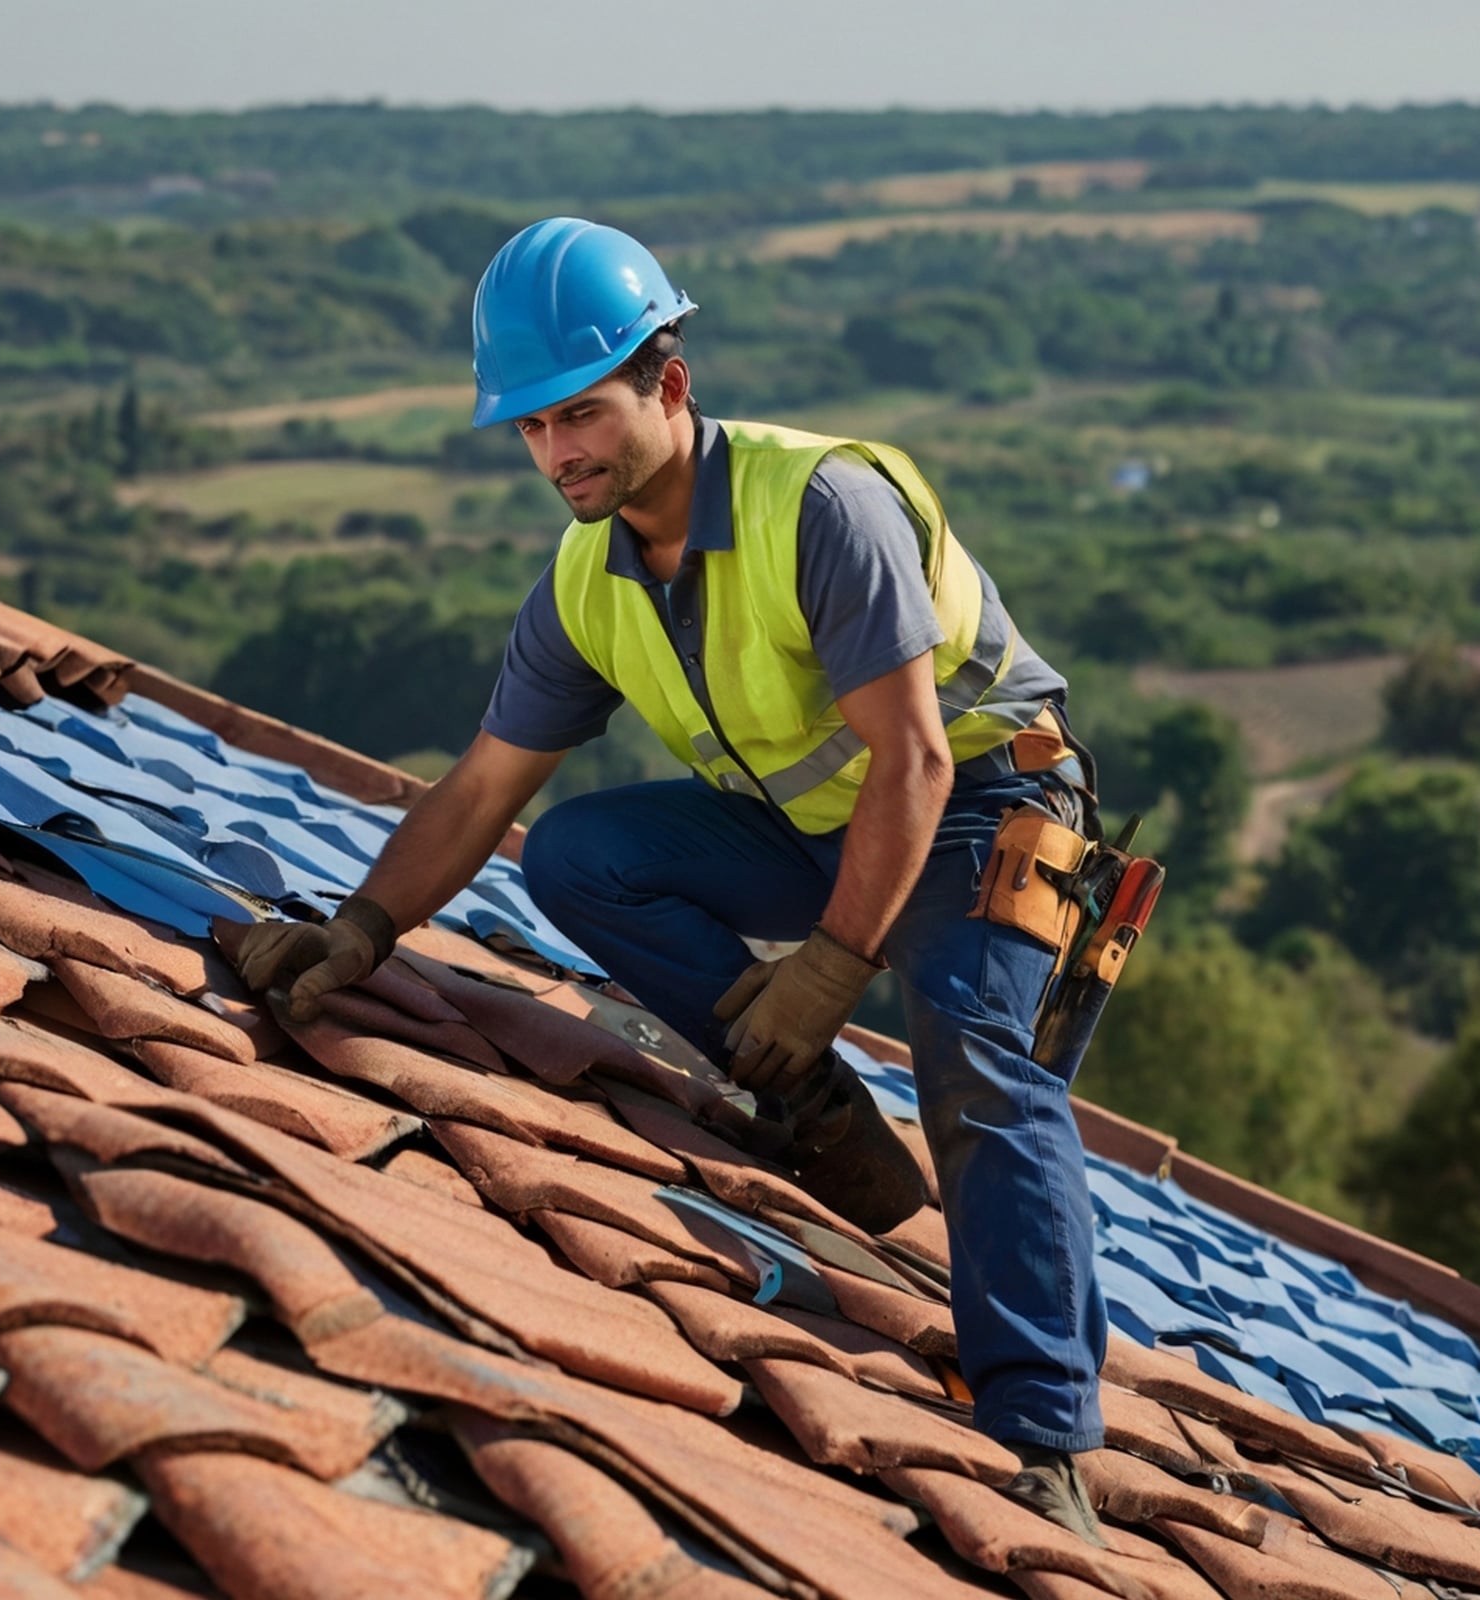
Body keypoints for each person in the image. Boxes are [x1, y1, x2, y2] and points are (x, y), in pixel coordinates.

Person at [236, 217, 1108, 1545]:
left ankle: (1043, 1431)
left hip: (980, 807)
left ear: (670, 384)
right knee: (585, 857)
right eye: (531, 429)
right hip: (821, 825)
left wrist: (826, 971)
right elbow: (480, 790)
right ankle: (815, 1115)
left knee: (979, 1059)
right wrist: (361, 927)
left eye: (581, 413)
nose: (559, 453)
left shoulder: (819, 507)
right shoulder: (584, 588)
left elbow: (918, 765)